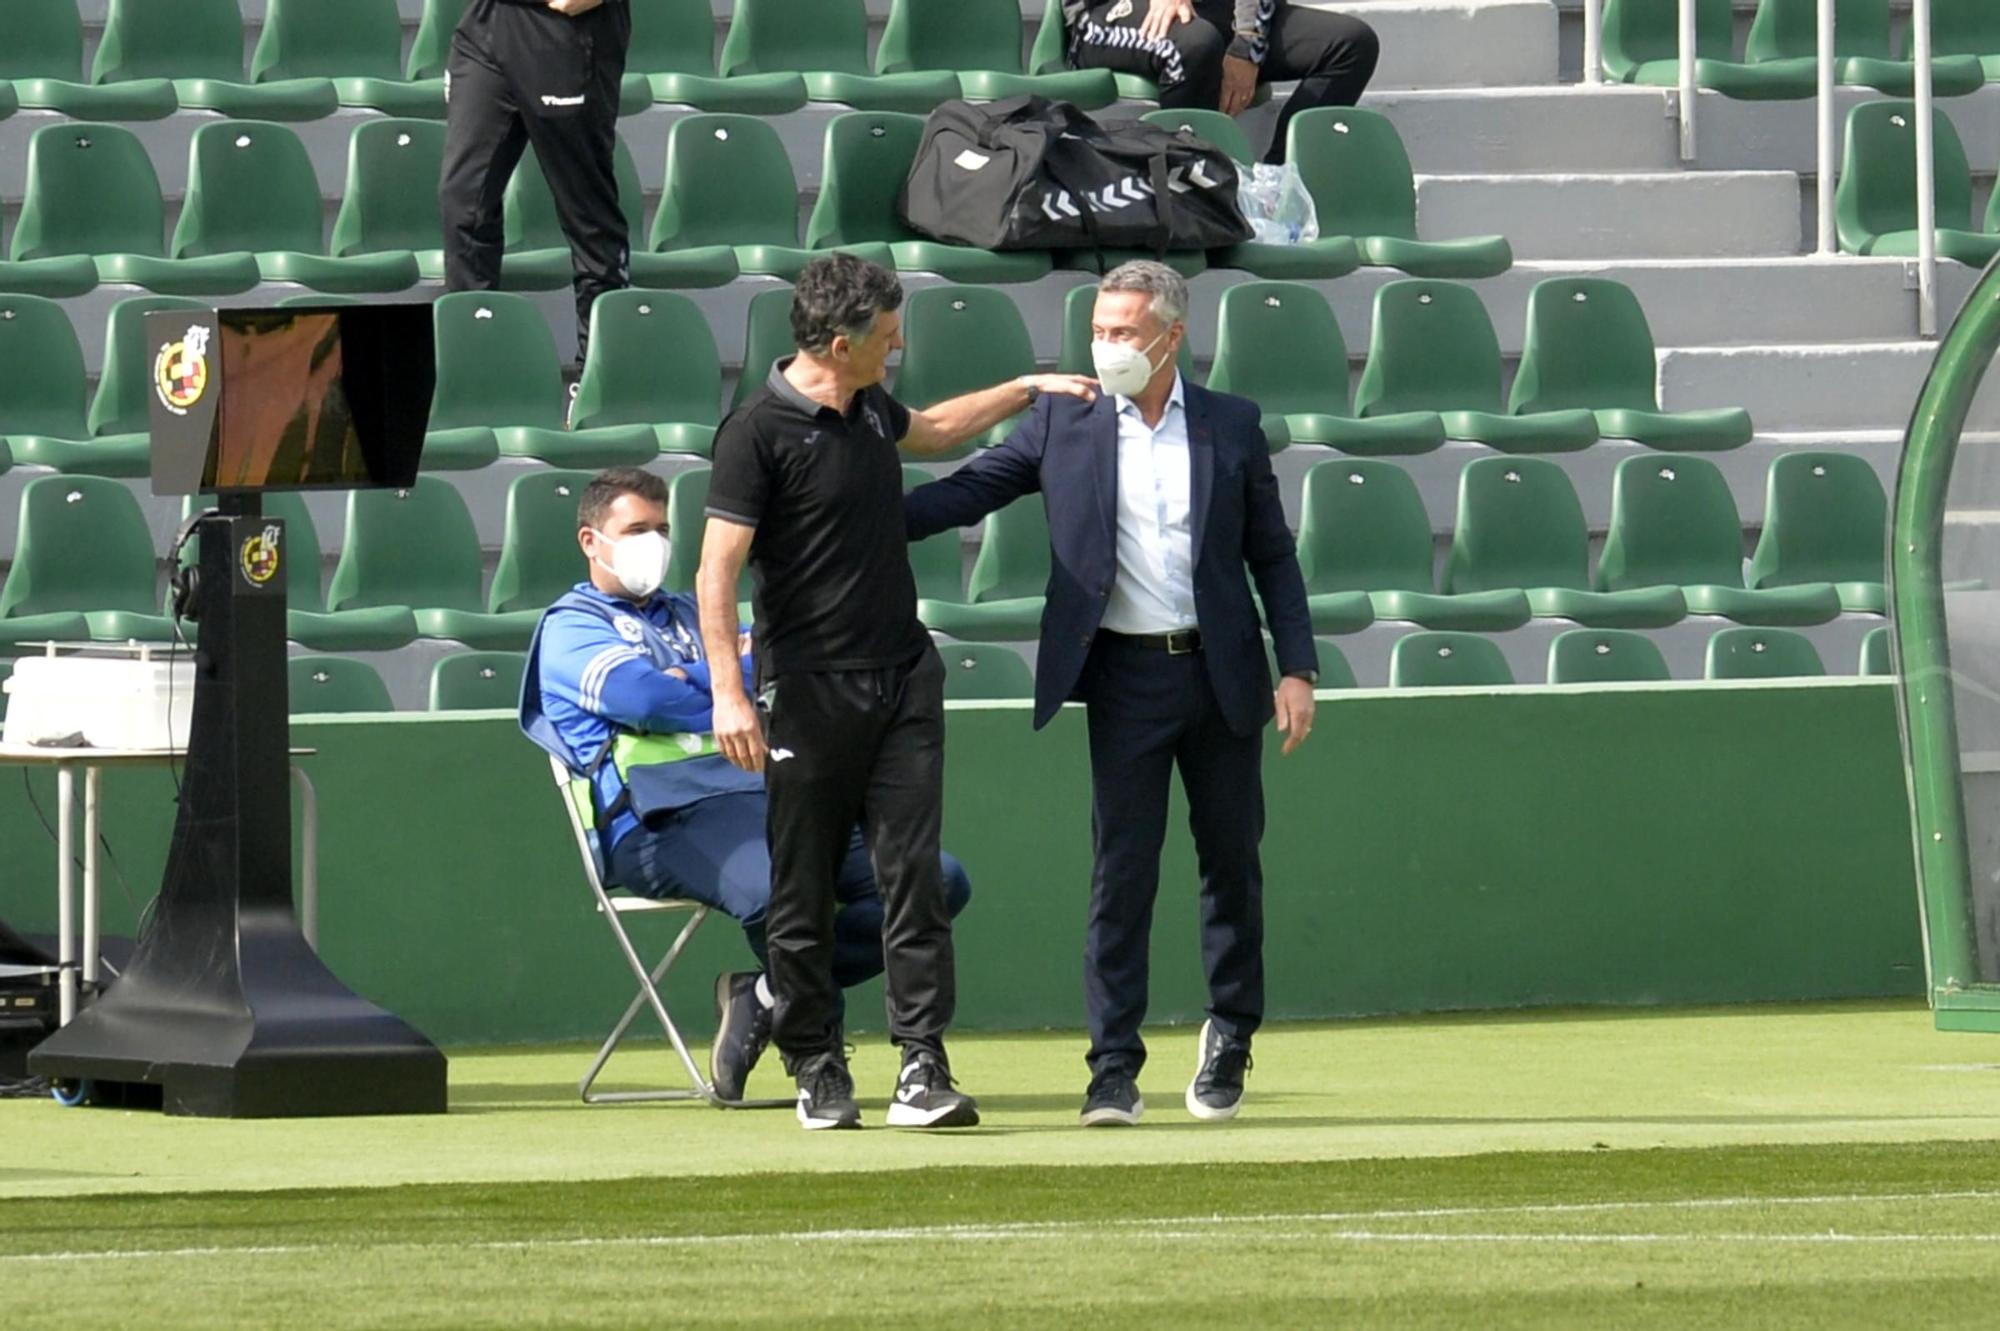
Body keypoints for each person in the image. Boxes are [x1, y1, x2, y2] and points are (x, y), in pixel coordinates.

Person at [904, 260, 1318, 1127]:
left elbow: (1271, 554)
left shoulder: (1231, 425)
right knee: (1120, 874)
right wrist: (855, 503)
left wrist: (1298, 667)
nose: (1106, 344)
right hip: (1126, 675)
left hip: (1222, 673)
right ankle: (1112, 1069)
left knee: (1232, 866)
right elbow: (970, 491)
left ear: (1172, 336)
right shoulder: (1066, 417)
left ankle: (1231, 1032)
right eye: (1099, 328)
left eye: (1124, 330)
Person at [697, 254, 1098, 1131]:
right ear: (839, 345)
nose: (900, 343)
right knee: (800, 887)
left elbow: (940, 430)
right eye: (887, 335)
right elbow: (716, 574)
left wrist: (1029, 387)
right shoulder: (755, 432)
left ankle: (922, 1064)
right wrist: (730, 694)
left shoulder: (873, 406)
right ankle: (815, 1063)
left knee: (911, 877)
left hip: (904, 682)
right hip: (805, 693)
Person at [519, 468, 974, 1106]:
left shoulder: (688, 611)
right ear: (591, 541)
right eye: (635, 530)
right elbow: (643, 696)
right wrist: (722, 674)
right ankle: (814, 1055)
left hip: (768, 798)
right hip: (659, 820)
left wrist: (695, 671)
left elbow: (781, 657)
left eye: (662, 529)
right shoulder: (571, 626)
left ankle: (763, 994)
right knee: (778, 890)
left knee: (937, 880)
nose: (654, 542)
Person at [439, 0, 630, 363]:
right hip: (487, 26)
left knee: (588, 217)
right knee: (463, 203)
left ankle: (596, 380)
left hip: (567, 32)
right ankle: (475, 368)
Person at [1060, 0, 1378, 163]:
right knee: (1197, 44)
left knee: (1352, 44)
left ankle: (1275, 187)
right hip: (1107, 13)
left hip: (1215, 12)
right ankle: (1187, 193)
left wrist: (1248, 42)